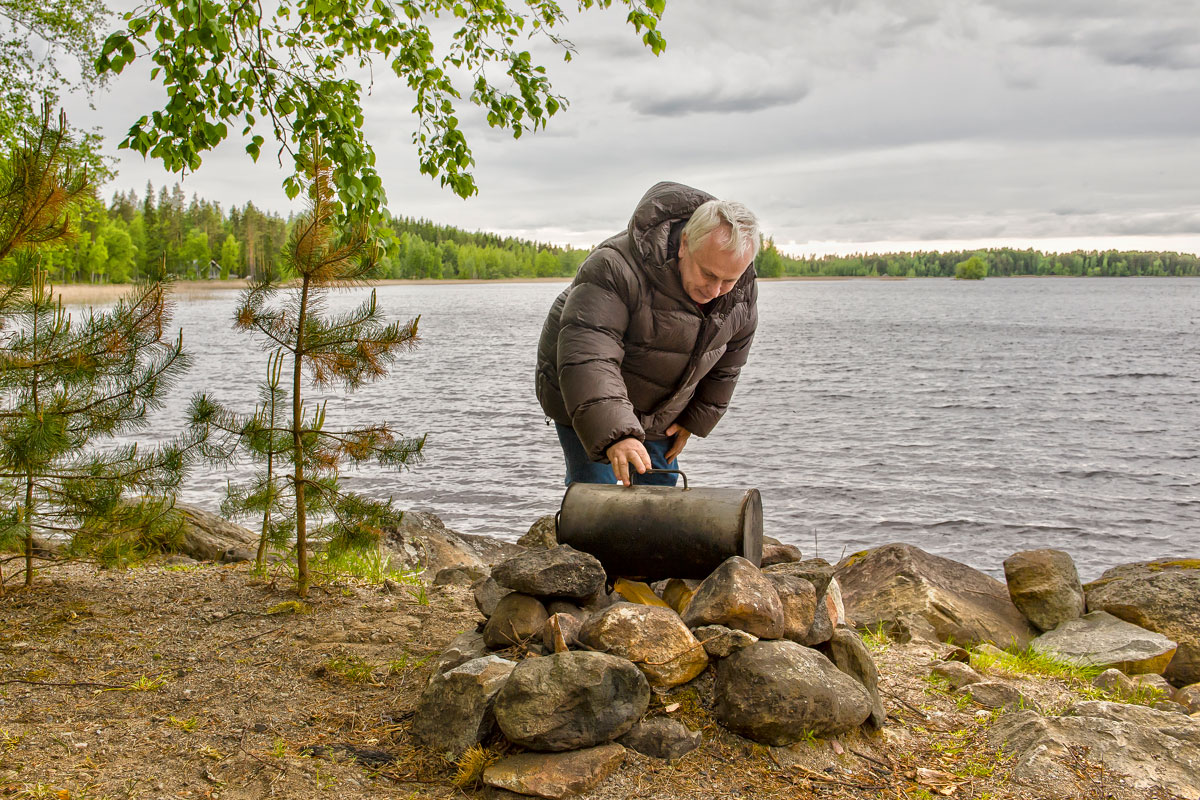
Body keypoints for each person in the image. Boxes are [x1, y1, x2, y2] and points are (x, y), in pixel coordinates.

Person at [536, 181, 760, 487]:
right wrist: (619, 433)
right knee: (594, 492)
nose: (715, 290)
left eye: (728, 280)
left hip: (657, 404)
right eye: (707, 274)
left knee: (661, 492)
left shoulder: (741, 294)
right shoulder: (613, 267)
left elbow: (728, 363)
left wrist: (692, 419)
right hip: (580, 390)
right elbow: (590, 357)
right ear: (684, 245)